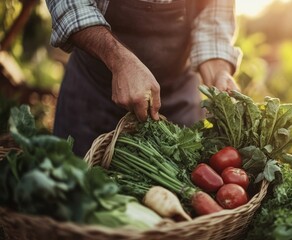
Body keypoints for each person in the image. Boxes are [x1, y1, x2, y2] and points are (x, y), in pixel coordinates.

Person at [45, 0, 242, 157]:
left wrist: (218, 74)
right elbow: (70, 5)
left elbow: (213, 21)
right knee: (77, 192)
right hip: (92, 96)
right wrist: (119, 60)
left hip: (177, 99)